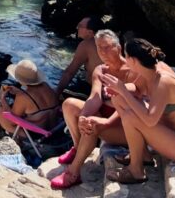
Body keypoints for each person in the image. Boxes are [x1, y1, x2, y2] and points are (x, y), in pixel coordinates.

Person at [103, 38, 175, 185]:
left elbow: (150, 120)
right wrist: (118, 89)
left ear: (132, 60)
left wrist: (123, 90)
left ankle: (136, 171)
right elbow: (137, 89)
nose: (124, 60)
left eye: (125, 56)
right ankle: (143, 155)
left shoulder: (163, 81)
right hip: (171, 133)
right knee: (118, 98)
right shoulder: (149, 70)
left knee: (131, 116)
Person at [51, 29, 129, 190]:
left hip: (124, 127)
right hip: (104, 118)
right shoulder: (101, 70)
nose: (103, 52)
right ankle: (78, 147)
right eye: (99, 48)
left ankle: (74, 172)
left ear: (119, 48)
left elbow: (128, 109)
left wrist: (102, 121)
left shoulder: (131, 71)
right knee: (69, 104)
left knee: (92, 124)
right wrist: (83, 116)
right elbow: (95, 97)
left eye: (107, 47)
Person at [0, 59, 58, 154]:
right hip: (52, 130)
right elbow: (36, 99)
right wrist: (20, 92)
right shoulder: (46, 86)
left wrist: (2, 99)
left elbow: (12, 121)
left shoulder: (23, 97)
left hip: (34, 135)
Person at [54, 16, 104, 99]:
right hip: (107, 89)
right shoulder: (110, 43)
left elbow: (69, 73)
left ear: (90, 32)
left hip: (93, 91)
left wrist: (57, 93)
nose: (77, 28)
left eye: (80, 26)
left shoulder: (86, 44)